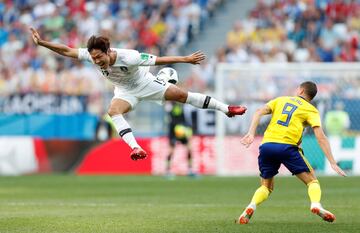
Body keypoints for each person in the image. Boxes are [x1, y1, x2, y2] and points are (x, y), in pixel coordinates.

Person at [30, 28, 247, 161]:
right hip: (125, 91)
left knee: (181, 95)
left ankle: (226, 109)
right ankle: (135, 148)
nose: (96, 61)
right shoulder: (91, 55)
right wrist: (42, 43)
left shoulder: (130, 57)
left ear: (108, 51)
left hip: (145, 83)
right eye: (93, 58)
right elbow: (67, 50)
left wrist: (186, 59)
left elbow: (157, 59)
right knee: (113, 110)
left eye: (99, 57)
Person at [237, 81, 346, 224]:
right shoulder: (310, 110)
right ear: (311, 97)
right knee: (312, 181)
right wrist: (332, 162)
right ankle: (315, 205)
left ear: (300, 90)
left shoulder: (281, 100)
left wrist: (251, 133)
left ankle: (250, 207)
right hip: (287, 148)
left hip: (267, 146)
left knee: (266, 186)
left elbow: (258, 112)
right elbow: (320, 136)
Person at [165, 101, 194, 178]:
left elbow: (186, 118)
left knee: (189, 149)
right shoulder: (170, 105)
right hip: (173, 131)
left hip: (182, 130)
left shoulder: (183, 105)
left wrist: (187, 127)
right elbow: (169, 117)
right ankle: (168, 171)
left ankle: (190, 170)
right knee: (171, 150)